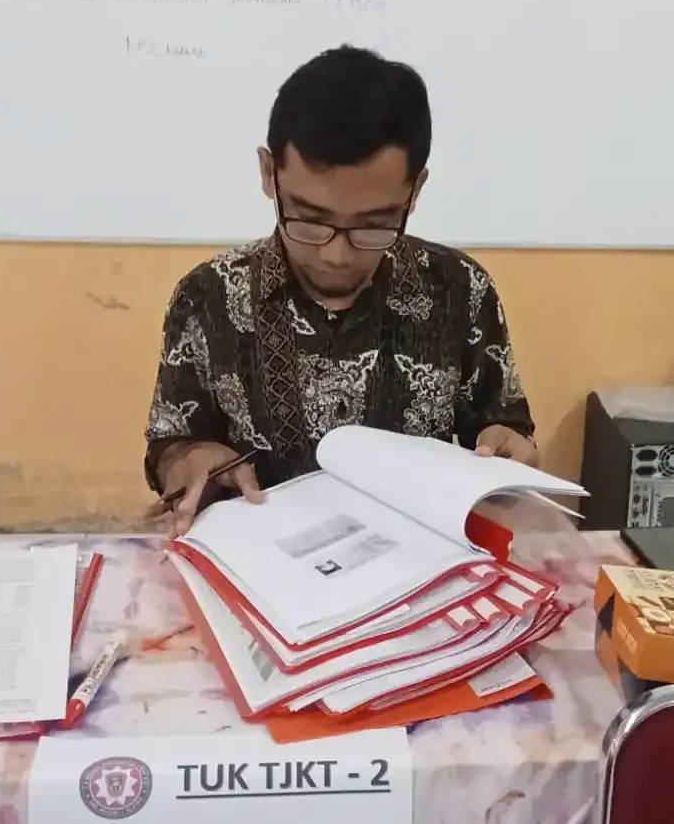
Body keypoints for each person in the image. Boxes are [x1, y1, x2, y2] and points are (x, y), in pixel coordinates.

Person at [145, 45, 537, 532]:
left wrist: (509, 453)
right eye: (310, 219)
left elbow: (504, 430)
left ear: (414, 190)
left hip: (416, 558)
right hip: (258, 558)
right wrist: (185, 459)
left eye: (373, 225)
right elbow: (170, 444)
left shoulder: (460, 289)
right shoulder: (208, 296)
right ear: (269, 174)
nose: (337, 254)